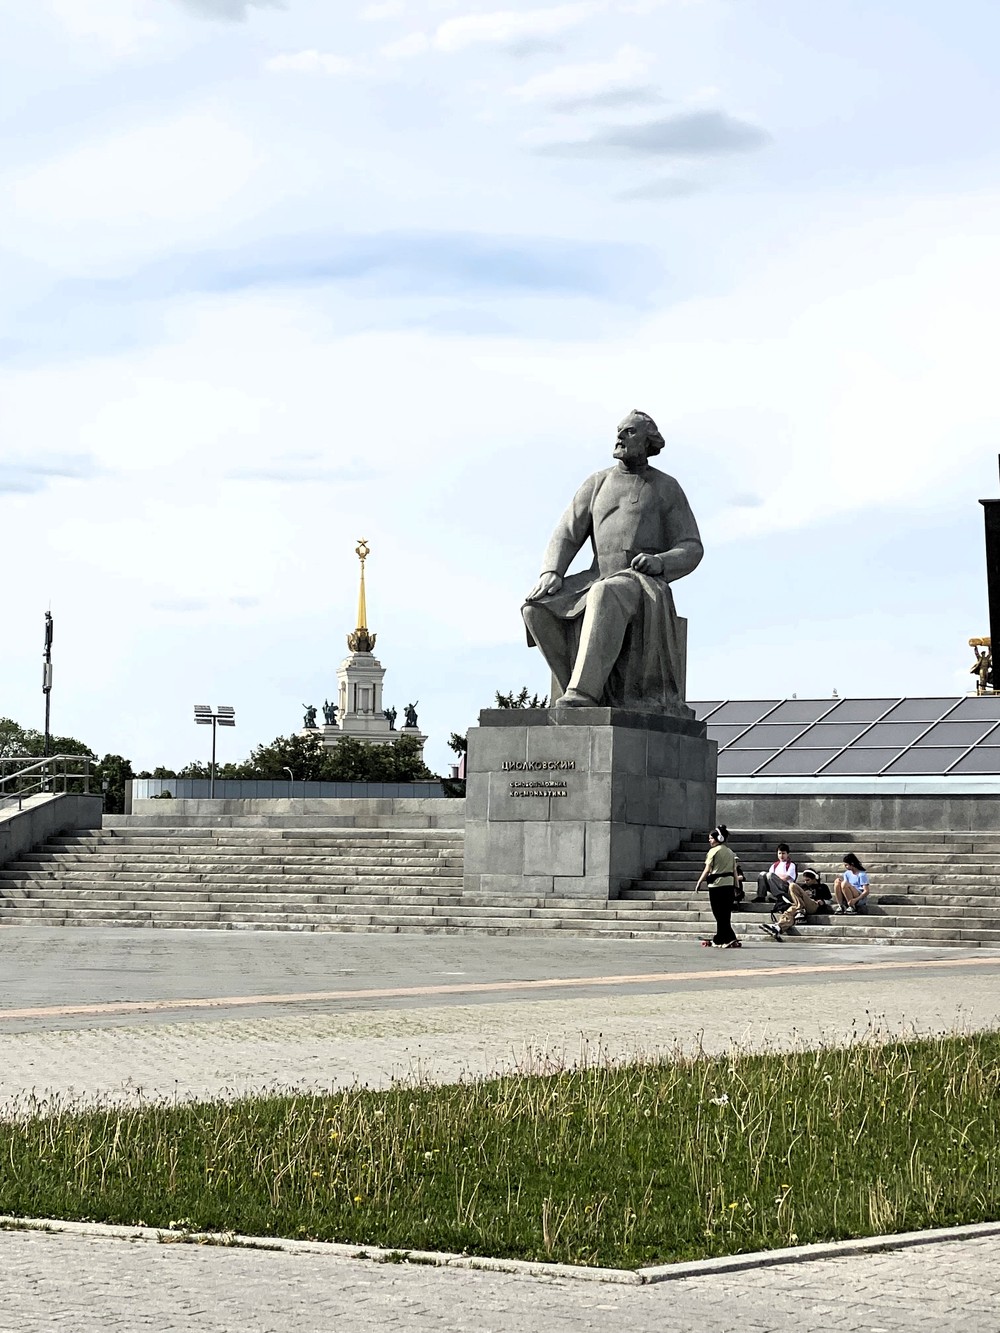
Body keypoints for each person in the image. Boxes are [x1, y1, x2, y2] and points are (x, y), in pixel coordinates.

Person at [523, 410, 703, 712]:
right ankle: (587, 691)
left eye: (630, 432)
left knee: (605, 593)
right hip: (596, 576)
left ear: (648, 443)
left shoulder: (666, 487)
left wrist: (660, 562)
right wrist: (552, 572)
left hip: (640, 583)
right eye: (619, 431)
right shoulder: (597, 483)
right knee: (535, 608)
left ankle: (583, 694)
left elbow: (691, 547)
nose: (620, 437)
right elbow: (567, 532)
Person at [694, 825, 742, 949]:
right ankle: (724, 937)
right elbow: (734, 871)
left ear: (718, 838)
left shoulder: (713, 851)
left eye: (711, 838)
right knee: (725, 914)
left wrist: (699, 882)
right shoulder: (731, 852)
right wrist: (736, 886)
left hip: (716, 885)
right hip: (729, 885)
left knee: (718, 914)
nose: (709, 840)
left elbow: (707, 869)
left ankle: (724, 938)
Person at [760, 870, 831, 941]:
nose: (806, 882)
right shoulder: (804, 887)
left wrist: (823, 902)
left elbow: (830, 901)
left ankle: (800, 909)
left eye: (808, 880)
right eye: (805, 880)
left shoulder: (822, 887)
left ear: (815, 878)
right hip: (801, 905)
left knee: (792, 885)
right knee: (791, 911)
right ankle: (778, 927)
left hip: (814, 905)